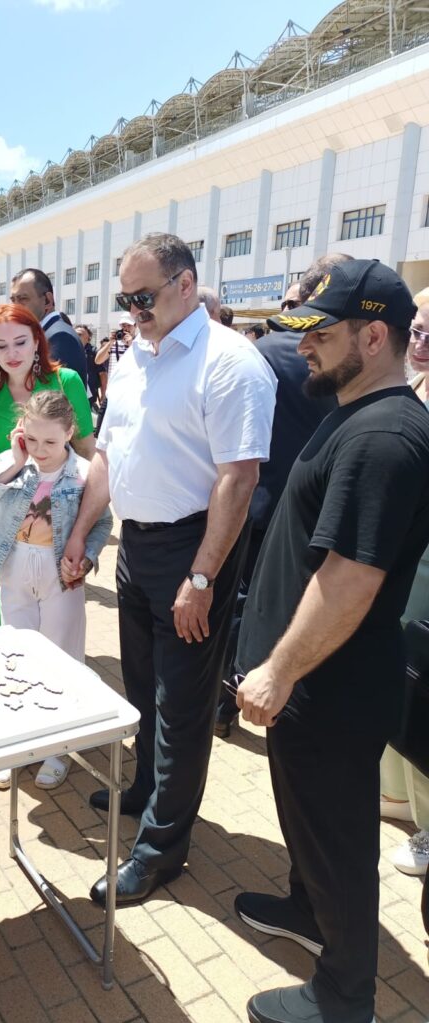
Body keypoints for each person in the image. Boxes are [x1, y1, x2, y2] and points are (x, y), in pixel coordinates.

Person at [234, 259, 429, 1023]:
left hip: (332, 687)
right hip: (314, 683)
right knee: (308, 824)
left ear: (374, 335)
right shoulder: (355, 411)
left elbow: (351, 578)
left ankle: (345, 999)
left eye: (319, 333)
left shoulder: (385, 436)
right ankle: (306, 911)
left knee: (340, 841)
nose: (303, 348)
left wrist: (280, 671)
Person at [63, 232, 276, 907]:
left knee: (182, 708)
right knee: (145, 687)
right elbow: (107, 457)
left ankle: (160, 852)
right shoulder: (132, 360)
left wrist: (204, 578)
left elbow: (238, 480)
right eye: (124, 299)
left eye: (143, 296)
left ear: (187, 283)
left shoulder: (230, 363)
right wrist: (82, 535)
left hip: (192, 551)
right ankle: (149, 795)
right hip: (137, 548)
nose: (132, 310)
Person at [0, 391, 112, 789]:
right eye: (32, 440)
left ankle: (58, 745)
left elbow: (102, 522)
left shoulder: (84, 472)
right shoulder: (13, 462)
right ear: (20, 432)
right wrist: (13, 464)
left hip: (60, 572)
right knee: (16, 654)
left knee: (63, 655)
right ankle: (20, 742)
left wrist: (88, 556)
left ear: (69, 432)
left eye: (50, 441)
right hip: (13, 566)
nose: (40, 450)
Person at [214, 273, 338, 737]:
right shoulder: (335, 364)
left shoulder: (258, 352)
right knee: (292, 600)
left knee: (242, 600)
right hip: (311, 507)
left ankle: (226, 702)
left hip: (257, 500)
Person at [0, 303, 95, 659]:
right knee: (14, 635)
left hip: (62, 527)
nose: (12, 353)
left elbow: (88, 452)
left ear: (38, 342)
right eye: (1, 345)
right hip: (6, 529)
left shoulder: (65, 382)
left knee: (62, 637)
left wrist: (84, 528)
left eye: (21, 342)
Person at [379, 291, 429, 878]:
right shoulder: (412, 389)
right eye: (414, 330)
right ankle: (397, 796)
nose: (417, 342)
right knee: (400, 678)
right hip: (403, 562)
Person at [9, 269, 88, 384]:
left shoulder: (60, 337)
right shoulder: (45, 333)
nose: (15, 307)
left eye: (23, 299)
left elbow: (54, 397)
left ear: (47, 300)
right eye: (13, 300)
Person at [75, 323, 101, 410]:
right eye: (75, 334)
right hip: (72, 391)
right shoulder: (69, 350)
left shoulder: (94, 352)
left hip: (89, 396)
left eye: (80, 334)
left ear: (88, 338)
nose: (77, 336)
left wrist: (103, 395)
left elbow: (103, 375)